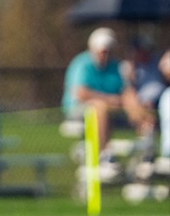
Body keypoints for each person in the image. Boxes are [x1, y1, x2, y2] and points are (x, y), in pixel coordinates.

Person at [65, 27, 154, 157]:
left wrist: (137, 105)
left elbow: (126, 90)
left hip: (113, 108)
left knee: (135, 102)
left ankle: (146, 149)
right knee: (100, 106)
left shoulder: (116, 65)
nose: (105, 55)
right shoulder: (82, 64)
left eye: (108, 51)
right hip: (81, 110)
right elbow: (81, 92)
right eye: (102, 51)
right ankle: (105, 154)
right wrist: (109, 99)